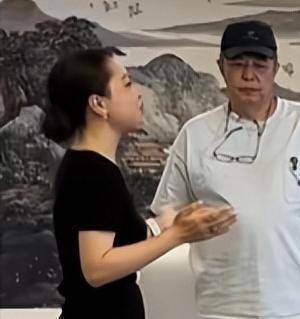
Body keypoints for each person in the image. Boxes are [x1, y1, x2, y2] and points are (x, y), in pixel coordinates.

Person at [152, 20, 300, 319]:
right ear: (221, 67)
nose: (249, 75)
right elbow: (169, 209)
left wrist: (290, 234)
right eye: (238, 64)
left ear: (275, 68)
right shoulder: (195, 133)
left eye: (260, 65)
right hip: (220, 306)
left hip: (296, 305)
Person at [43, 46, 235, 319]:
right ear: (99, 104)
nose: (138, 93)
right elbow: (96, 269)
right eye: (127, 84)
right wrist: (177, 235)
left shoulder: (91, 166)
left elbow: (116, 241)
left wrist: (162, 224)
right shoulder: (92, 172)